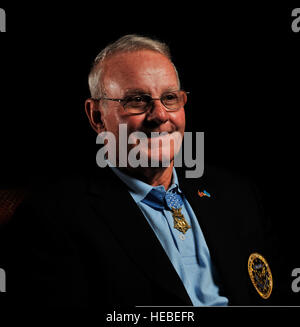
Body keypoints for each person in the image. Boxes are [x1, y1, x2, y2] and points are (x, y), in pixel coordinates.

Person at [0, 34, 287, 307]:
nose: (160, 115)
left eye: (170, 98)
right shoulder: (53, 216)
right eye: (137, 100)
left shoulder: (238, 195)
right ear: (97, 116)